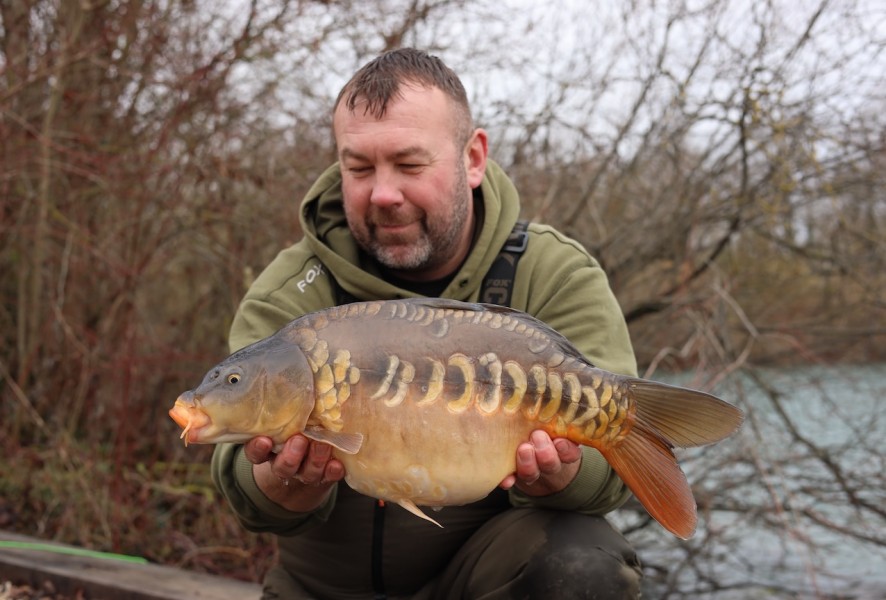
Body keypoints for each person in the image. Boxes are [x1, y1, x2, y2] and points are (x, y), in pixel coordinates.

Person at [211, 48, 643, 599]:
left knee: (586, 563)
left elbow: (609, 482)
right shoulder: (293, 291)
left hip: (481, 582)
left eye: (410, 165)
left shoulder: (553, 275)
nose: (383, 194)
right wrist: (283, 484)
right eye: (358, 168)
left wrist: (564, 474)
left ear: (473, 158)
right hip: (321, 590)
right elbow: (241, 485)